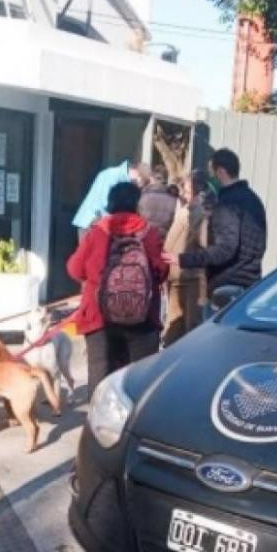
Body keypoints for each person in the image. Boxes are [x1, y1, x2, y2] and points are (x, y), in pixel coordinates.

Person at [67, 181, 169, 390]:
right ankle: (135, 422)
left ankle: (100, 422)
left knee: (100, 381)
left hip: (99, 318)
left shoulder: (97, 232)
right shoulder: (149, 233)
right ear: (136, 204)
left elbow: (75, 269)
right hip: (143, 318)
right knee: (140, 383)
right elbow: (162, 271)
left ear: (110, 203)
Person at [164, 147, 266, 295]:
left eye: (212, 174)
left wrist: (184, 259)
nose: (210, 181)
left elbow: (225, 249)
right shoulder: (253, 200)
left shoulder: (227, 204)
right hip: (250, 282)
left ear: (221, 172)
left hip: (228, 284)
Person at [162, 170, 213, 347]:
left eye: (186, 190)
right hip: (178, 276)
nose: (183, 194)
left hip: (191, 277)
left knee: (189, 326)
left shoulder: (198, 214)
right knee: (176, 325)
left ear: (198, 193)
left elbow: (204, 244)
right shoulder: (185, 211)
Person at [72, 160, 149, 232]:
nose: (139, 186)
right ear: (138, 174)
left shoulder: (117, 176)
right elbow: (106, 203)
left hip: (98, 223)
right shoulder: (113, 176)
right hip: (92, 223)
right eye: (141, 183)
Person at [138, 163, 177, 238]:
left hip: (144, 237)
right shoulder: (173, 200)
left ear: (152, 178)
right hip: (163, 239)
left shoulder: (142, 197)